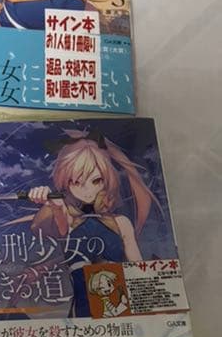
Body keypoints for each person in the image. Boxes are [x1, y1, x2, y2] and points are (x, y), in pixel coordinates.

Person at [28, 130, 156, 317]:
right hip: (82, 311)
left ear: (107, 179)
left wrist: (151, 309)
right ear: (66, 182)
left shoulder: (121, 223)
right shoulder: (68, 220)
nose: (88, 190)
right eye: (76, 182)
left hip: (121, 307)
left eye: (96, 180)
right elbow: (56, 225)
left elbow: (139, 270)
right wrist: (53, 205)